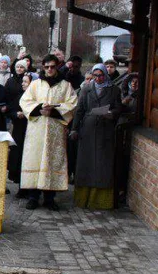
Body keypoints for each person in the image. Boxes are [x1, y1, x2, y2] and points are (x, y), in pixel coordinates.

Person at [19, 54, 77, 211]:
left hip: (55, 130)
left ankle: (50, 198)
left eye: (52, 66)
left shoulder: (65, 85)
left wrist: (54, 111)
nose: (49, 69)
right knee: (35, 159)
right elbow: (25, 101)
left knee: (51, 160)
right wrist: (39, 109)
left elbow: (72, 103)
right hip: (37, 129)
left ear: (57, 66)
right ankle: (33, 196)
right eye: (46, 67)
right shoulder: (36, 84)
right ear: (43, 67)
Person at [70, 65, 123, 209]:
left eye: (101, 75)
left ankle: (100, 201)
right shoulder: (87, 89)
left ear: (105, 75)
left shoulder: (114, 90)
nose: (98, 78)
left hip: (105, 131)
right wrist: (74, 129)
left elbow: (118, 108)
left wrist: (111, 113)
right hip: (87, 131)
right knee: (86, 163)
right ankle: (83, 199)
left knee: (102, 164)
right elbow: (80, 110)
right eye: (95, 75)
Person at [7, 73, 37, 197]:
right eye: (23, 81)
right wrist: (16, 114)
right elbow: (11, 110)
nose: (23, 84)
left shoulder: (36, 98)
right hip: (19, 130)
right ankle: (21, 187)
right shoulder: (19, 96)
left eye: (26, 82)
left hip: (31, 131)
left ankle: (30, 188)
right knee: (19, 158)